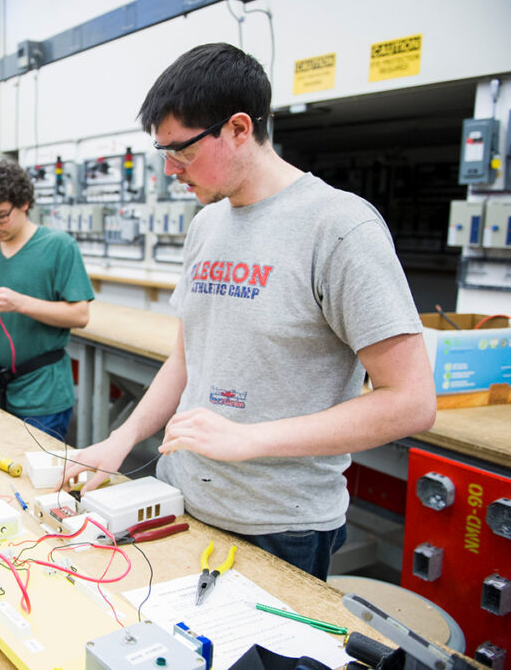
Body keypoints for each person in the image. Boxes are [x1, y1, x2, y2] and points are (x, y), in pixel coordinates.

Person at [59, 43, 436, 579]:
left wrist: (248, 439)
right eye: (161, 152)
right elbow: (187, 359)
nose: (170, 169)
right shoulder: (205, 225)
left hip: (280, 525)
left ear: (238, 129)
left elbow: (412, 403)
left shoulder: (339, 227)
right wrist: (119, 442)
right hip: (180, 495)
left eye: (181, 151)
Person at [0, 159, 94, 442]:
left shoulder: (59, 246)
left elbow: (80, 315)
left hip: (44, 393)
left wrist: (19, 302)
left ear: (24, 203)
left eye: (1, 216)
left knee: (40, 476)